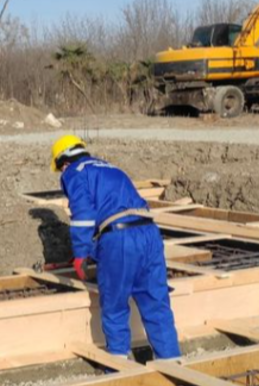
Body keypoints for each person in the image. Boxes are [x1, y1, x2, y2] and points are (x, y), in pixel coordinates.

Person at [51, 135, 181, 360]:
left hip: (120, 238)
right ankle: (172, 362)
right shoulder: (111, 168)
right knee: (156, 302)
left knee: (114, 303)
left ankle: (119, 363)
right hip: (150, 233)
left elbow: (83, 217)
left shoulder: (74, 172)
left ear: (63, 162)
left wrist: (81, 254)